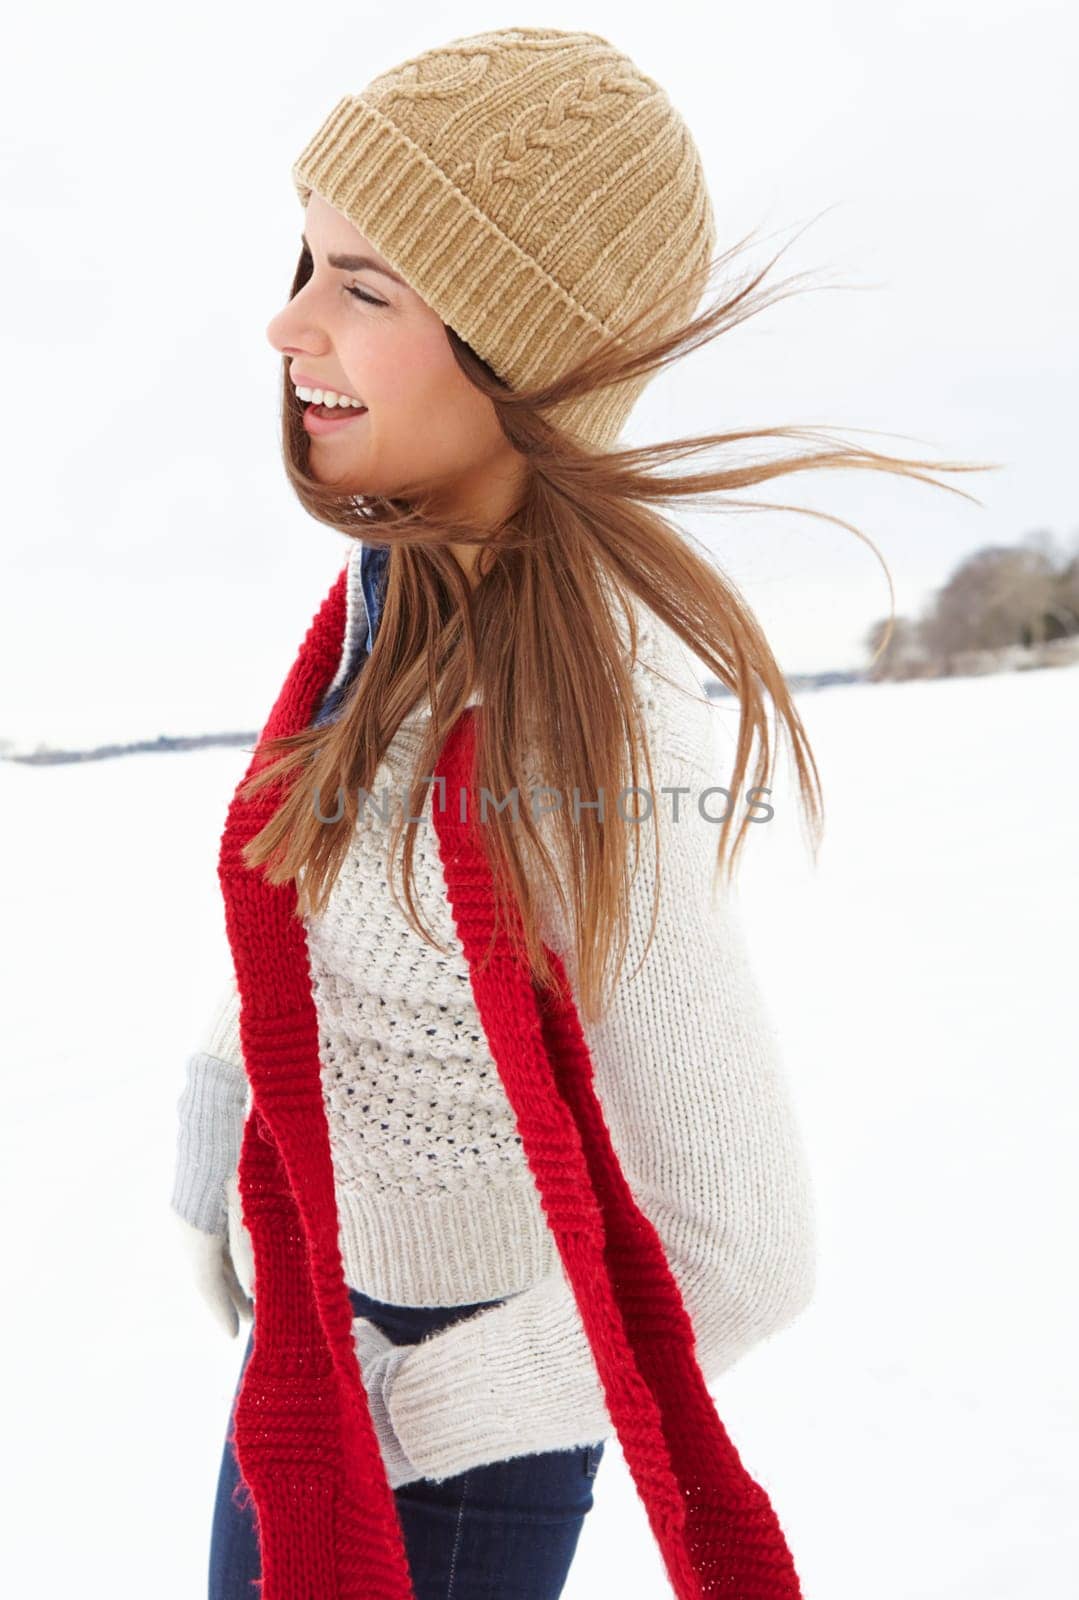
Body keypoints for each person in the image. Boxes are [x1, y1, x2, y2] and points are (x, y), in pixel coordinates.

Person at [170, 25, 981, 1600]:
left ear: (518, 354)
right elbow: (330, 870)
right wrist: (228, 1092)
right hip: (316, 1368)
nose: (286, 322)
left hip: (437, 1441)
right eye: (306, 258)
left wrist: (438, 1413)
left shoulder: (571, 699)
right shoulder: (401, 598)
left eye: (365, 285)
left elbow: (743, 1243)